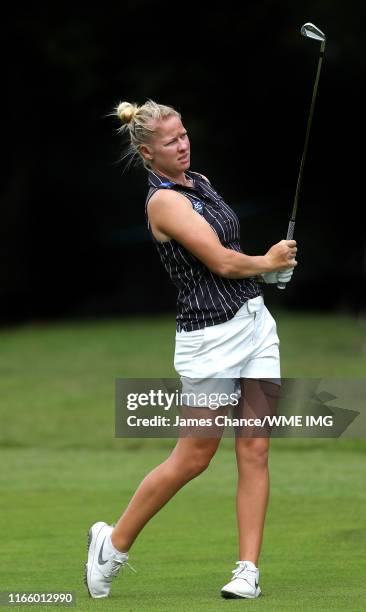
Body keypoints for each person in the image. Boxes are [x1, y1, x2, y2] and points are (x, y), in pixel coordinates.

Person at [84, 99, 297, 600]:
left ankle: (247, 569)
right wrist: (266, 263)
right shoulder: (162, 202)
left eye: (183, 135)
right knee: (195, 458)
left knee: (256, 446)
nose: (183, 145)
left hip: (255, 328)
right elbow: (221, 262)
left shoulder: (198, 182)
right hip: (209, 342)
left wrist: (270, 268)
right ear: (146, 152)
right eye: (171, 141)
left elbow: (235, 254)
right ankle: (111, 545)